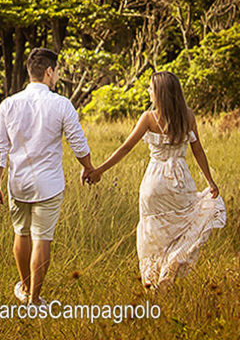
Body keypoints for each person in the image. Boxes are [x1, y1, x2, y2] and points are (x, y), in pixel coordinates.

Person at [89, 70, 225, 288]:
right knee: (184, 225)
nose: (148, 92)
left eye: (151, 88)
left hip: (154, 183)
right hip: (181, 181)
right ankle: (170, 267)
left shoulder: (149, 118)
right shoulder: (188, 116)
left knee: (153, 232)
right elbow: (198, 150)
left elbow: (125, 148)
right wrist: (209, 181)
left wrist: (100, 170)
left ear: (160, 93)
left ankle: (153, 280)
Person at [0, 48, 100, 305]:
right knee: (42, 237)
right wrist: (88, 167)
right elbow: (78, 144)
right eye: (57, 72)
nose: (57, 76)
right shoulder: (61, 104)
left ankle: (26, 290)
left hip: (18, 183)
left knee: (21, 233)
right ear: (49, 72)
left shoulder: (9, 104)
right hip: (49, 184)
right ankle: (35, 299)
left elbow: (0, 149)